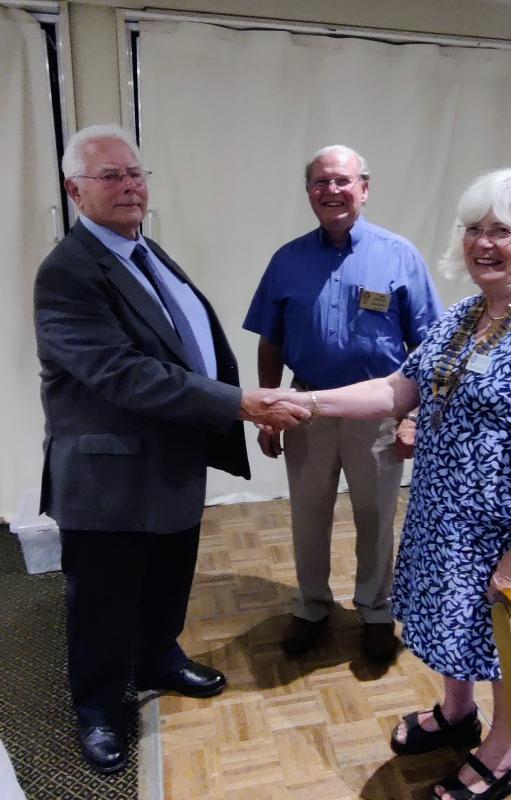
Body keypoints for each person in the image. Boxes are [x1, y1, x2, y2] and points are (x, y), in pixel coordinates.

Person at [264, 167, 511, 800]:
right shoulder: (469, 313)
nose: (483, 243)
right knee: (455, 625)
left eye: (502, 231)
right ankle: (458, 714)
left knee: (508, 646)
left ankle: (506, 752)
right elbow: (400, 388)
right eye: (474, 229)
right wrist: (309, 402)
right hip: (445, 517)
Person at [33, 124, 308, 775]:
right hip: (107, 477)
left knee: (166, 580)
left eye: (135, 172)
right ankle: (98, 708)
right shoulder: (68, 272)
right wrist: (239, 403)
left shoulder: (142, 249)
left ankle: (159, 657)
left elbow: (179, 341)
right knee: (100, 605)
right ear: (75, 190)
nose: (129, 184)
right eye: (110, 176)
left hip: (169, 461)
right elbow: (121, 373)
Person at [243, 145, 442, 662]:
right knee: (308, 515)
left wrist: (414, 417)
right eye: (320, 182)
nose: (331, 191)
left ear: (365, 188)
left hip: (378, 409)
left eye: (342, 181)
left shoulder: (401, 256)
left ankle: (376, 611)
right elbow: (270, 340)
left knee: (375, 515)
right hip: (305, 406)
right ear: (308, 191)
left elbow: (427, 347)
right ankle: (312, 606)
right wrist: (268, 412)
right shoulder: (287, 260)